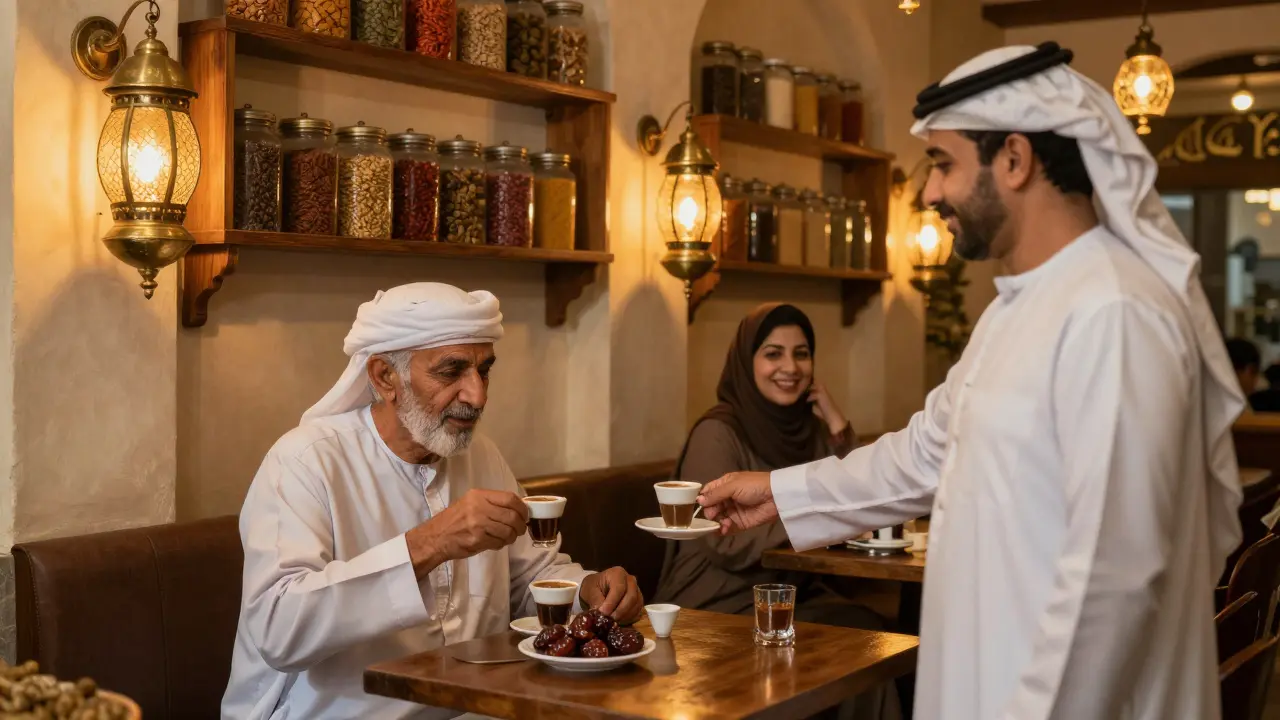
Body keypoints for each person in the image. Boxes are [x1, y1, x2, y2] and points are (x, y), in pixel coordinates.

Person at [698, 43, 1244, 720]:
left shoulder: (1114, 310)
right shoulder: (1013, 310)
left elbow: (1114, 577)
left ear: (1014, 159)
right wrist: (777, 492)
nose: (930, 194)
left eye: (943, 164)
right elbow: (926, 452)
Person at [222, 283, 644, 720]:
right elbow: (276, 629)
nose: (477, 395)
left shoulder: (482, 457)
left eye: (484, 371)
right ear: (385, 377)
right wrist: (428, 544)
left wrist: (589, 592)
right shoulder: (305, 462)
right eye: (451, 372)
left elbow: (531, 577)